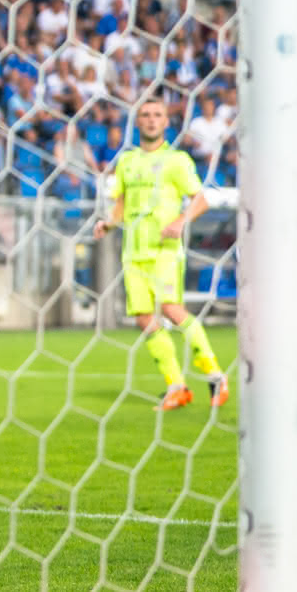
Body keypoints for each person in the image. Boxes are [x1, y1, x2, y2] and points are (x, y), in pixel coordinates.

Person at [94, 96, 226, 411]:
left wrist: (181, 221)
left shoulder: (177, 160)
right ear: (137, 122)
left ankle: (215, 375)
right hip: (133, 252)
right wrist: (109, 224)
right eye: (146, 115)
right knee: (143, 318)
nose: (152, 120)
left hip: (164, 250)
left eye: (157, 115)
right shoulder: (127, 161)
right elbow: (121, 204)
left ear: (166, 122)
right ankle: (176, 386)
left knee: (170, 309)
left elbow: (200, 199)